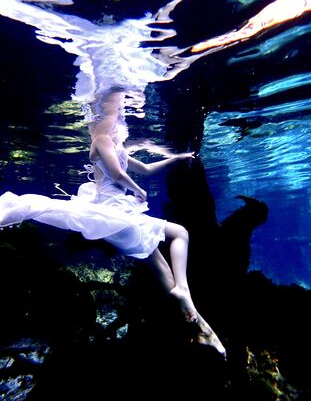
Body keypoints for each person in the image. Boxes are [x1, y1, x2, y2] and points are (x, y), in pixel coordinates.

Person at [0, 88, 226, 358]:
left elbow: (146, 168)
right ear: (101, 113)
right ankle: (185, 293)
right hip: (113, 213)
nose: (120, 112)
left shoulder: (114, 143)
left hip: (120, 214)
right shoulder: (102, 139)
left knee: (160, 263)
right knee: (180, 233)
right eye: (116, 107)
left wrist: (177, 158)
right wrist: (137, 190)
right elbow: (119, 174)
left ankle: (195, 322)